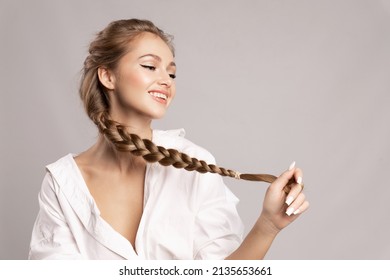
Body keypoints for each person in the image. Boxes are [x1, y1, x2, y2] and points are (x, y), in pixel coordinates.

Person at [28, 19, 309, 260]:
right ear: (107, 76)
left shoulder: (196, 166)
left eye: (171, 72)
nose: (166, 80)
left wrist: (268, 225)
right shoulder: (62, 183)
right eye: (150, 67)